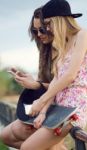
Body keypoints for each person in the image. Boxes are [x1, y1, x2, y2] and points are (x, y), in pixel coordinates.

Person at [11, 0, 87, 149]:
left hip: (72, 110)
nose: (47, 28)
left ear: (60, 20)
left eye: (49, 23)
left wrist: (41, 101)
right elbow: (56, 81)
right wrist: (43, 111)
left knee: (27, 147)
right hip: (57, 107)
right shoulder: (62, 45)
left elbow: (69, 76)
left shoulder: (83, 35)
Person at [0, 6, 67, 150]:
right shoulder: (45, 50)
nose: (38, 34)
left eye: (41, 29)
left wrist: (37, 85)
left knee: (31, 141)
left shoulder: (66, 49)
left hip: (62, 106)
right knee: (5, 136)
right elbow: (46, 82)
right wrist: (32, 81)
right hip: (47, 105)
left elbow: (65, 85)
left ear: (52, 26)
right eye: (34, 31)